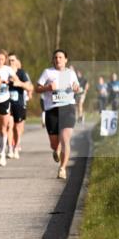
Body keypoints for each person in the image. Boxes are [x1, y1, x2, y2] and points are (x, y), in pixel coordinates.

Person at [35, 49, 81, 180]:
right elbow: (37, 88)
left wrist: (76, 87)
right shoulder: (48, 73)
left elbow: (76, 85)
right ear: (53, 60)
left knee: (65, 139)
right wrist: (48, 87)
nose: (58, 59)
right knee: (54, 145)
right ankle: (57, 148)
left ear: (66, 60)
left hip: (68, 108)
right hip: (52, 110)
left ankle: (62, 168)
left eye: (61, 57)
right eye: (55, 57)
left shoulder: (70, 73)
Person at [7, 54, 33, 158]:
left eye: (12, 60)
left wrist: (19, 83)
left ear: (16, 61)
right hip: (7, 103)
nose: (10, 62)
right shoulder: (4, 72)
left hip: (19, 103)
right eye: (8, 60)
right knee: (9, 125)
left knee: (17, 128)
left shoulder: (21, 73)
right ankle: (10, 148)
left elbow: (29, 86)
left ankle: (16, 146)